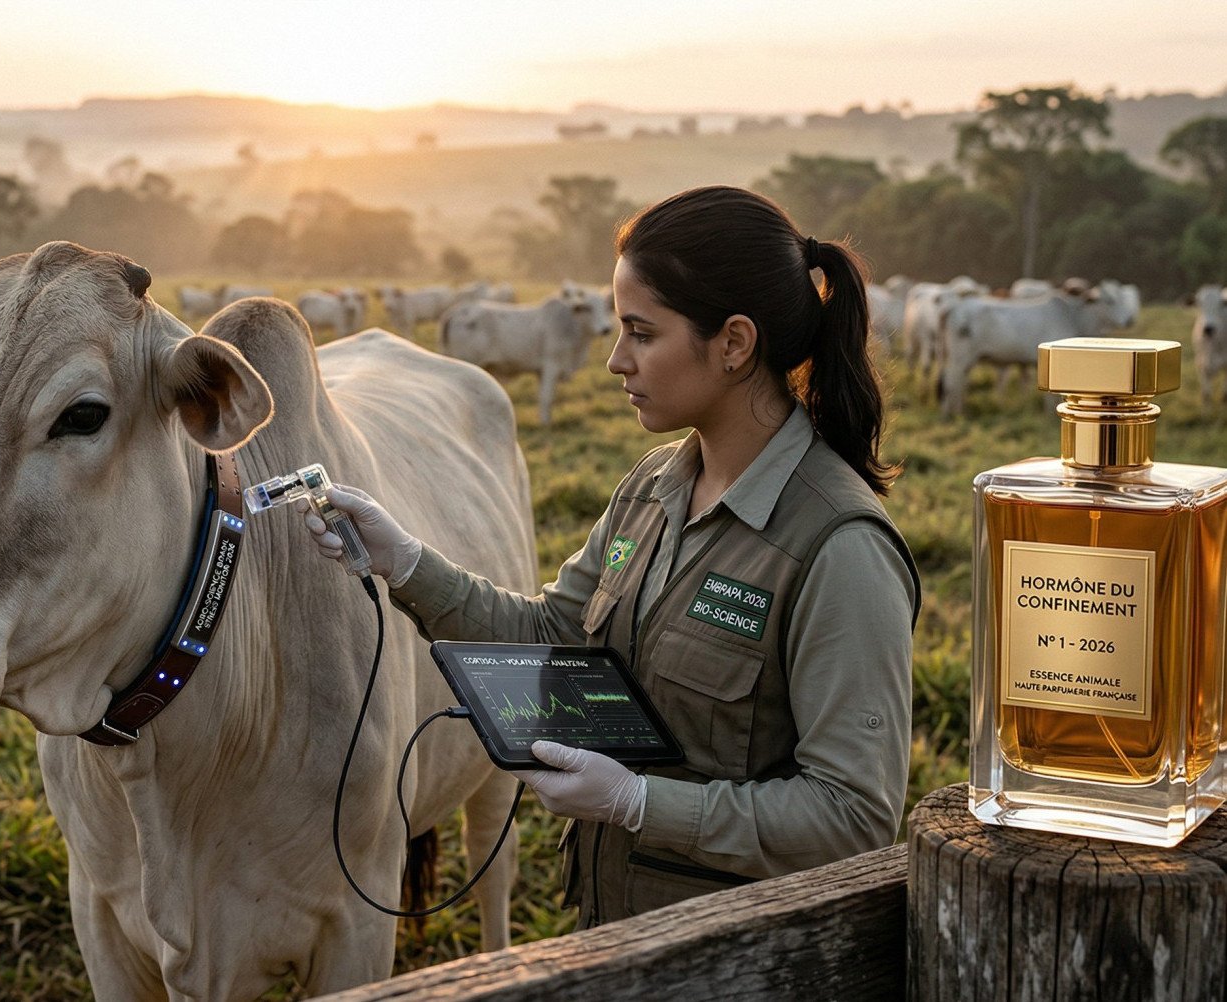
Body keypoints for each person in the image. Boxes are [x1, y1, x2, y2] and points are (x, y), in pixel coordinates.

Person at [300, 185, 920, 927]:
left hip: (745, 958)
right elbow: (552, 639)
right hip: (618, 937)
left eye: (642, 333)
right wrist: (405, 564)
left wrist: (638, 803)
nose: (614, 361)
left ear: (733, 343)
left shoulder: (841, 546)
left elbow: (853, 820)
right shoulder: (655, 485)